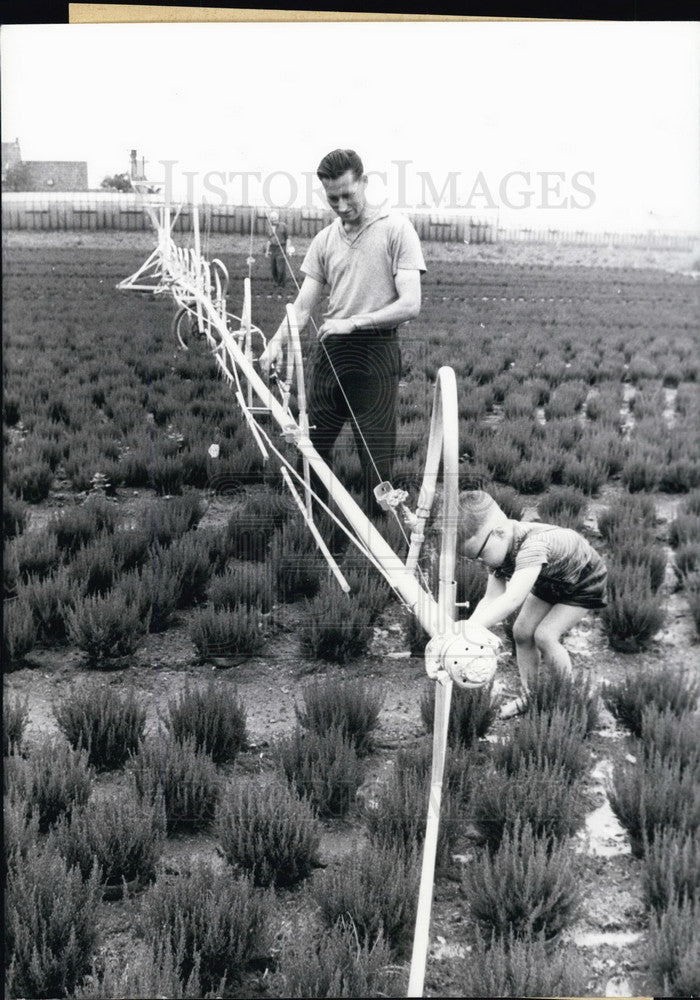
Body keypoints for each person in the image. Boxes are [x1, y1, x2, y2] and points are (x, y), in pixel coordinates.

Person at [259, 148, 426, 517]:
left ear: (364, 183)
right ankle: (322, 522)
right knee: (312, 444)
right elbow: (303, 308)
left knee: (376, 458)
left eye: (348, 195)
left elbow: (410, 304)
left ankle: (381, 536)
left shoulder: (396, 230)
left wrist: (354, 322)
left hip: (376, 354)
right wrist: (275, 343)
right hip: (331, 354)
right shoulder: (324, 240)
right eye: (332, 198)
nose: (342, 204)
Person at [455, 490, 607, 718]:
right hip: (552, 580)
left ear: (498, 532)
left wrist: (471, 629)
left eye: (480, 555)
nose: (481, 562)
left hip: (584, 580)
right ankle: (530, 695)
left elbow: (512, 599)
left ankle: (568, 698)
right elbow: (492, 598)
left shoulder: (533, 546)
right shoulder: (498, 547)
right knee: (522, 632)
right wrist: (466, 632)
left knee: (545, 635)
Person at [265, 210, 289, 289]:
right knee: (273, 268)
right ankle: (276, 282)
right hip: (272, 248)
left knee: (280, 267)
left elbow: (288, 238)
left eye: (275, 218)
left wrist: (287, 249)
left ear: (278, 218)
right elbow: (268, 240)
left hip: (281, 248)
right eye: (272, 218)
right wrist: (267, 251)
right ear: (270, 219)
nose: (273, 219)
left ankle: (282, 285)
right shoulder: (268, 227)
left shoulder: (283, 226)